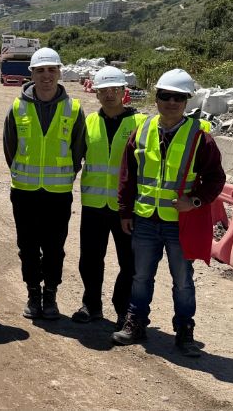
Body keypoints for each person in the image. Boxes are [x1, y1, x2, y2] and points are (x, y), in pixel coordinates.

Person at [112, 69, 225, 357]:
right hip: (146, 218)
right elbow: (128, 176)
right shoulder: (143, 131)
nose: (171, 102)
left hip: (179, 223)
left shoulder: (200, 137)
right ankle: (136, 323)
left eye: (178, 97)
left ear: (187, 100)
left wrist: (196, 201)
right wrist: (126, 211)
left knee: (183, 280)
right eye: (165, 96)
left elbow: (215, 178)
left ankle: (184, 331)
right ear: (157, 97)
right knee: (140, 277)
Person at [3, 47, 86, 320]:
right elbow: (9, 148)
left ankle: (50, 293)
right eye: (40, 70)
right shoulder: (18, 107)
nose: (46, 76)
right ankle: (32, 293)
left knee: (54, 247)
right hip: (25, 191)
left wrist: (66, 173)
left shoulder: (73, 108)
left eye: (51, 70)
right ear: (32, 74)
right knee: (27, 245)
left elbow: (77, 150)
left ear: (60, 72)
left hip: (58, 193)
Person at [72, 67, 146, 327]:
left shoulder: (140, 124)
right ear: (96, 92)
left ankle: (122, 307)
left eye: (115, 89)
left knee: (130, 262)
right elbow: (75, 156)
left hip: (126, 207)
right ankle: (91, 305)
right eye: (104, 90)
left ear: (124, 92)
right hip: (93, 204)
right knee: (90, 259)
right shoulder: (89, 122)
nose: (110, 95)